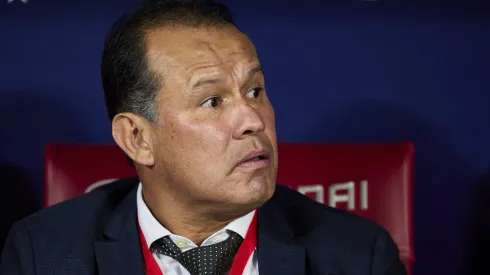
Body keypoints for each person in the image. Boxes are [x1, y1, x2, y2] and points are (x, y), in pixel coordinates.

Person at [0, 1, 407, 274]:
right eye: (212, 101)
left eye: (255, 91)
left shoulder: (358, 256)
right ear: (137, 137)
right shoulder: (43, 255)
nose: (252, 119)